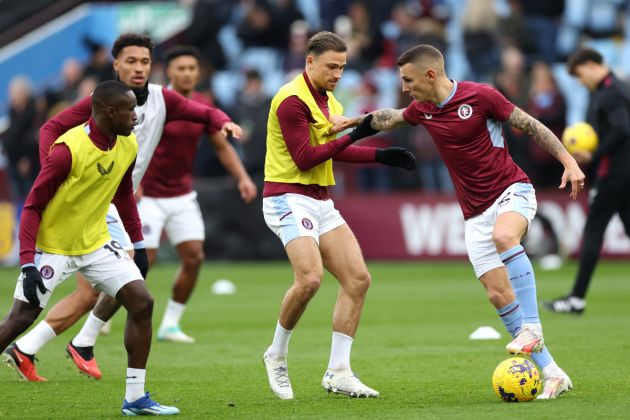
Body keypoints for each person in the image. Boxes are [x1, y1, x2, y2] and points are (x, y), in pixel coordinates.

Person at [3, 33, 243, 381]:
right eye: (131, 61)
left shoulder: (163, 100)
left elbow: (204, 113)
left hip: (115, 202)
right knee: (68, 300)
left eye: (145, 61)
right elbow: (51, 128)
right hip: (83, 211)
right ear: (116, 64)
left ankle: (69, 347)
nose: (138, 67)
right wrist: (52, 171)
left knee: (128, 286)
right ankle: (56, 344)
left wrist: (222, 121)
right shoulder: (102, 104)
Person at [351, 44, 584, 399]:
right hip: (474, 214)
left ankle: (532, 327)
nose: (404, 87)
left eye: (408, 79)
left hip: (511, 190)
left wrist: (568, 160)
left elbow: (531, 126)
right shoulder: (422, 110)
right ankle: (552, 372)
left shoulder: (481, 96)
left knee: (506, 237)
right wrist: (353, 123)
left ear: (431, 74)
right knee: (497, 293)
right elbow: (389, 117)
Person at [0, 80, 178, 415]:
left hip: (96, 242)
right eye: (130, 109)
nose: (136, 116)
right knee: (19, 319)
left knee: (142, 302)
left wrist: (137, 246)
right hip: (52, 247)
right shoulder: (68, 150)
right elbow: (33, 206)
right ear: (110, 112)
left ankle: (136, 399)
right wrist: (27, 263)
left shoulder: (126, 144)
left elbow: (123, 194)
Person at [261, 31, 417, 400]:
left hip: (319, 199)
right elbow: (305, 158)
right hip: (287, 195)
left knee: (358, 279)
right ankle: (276, 354)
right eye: (332, 67)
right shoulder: (290, 101)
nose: (338, 74)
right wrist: (357, 134)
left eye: (343, 68)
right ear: (309, 61)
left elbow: (332, 151)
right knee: (310, 278)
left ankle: (339, 372)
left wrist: (381, 155)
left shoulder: (325, 98)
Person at [139, 45, 257, 343]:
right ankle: (102, 314)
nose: (188, 73)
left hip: (181, 195)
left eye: (192, 68)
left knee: (194, 257)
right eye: (181, 68)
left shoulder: (203, 105)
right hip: (148, 195)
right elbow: (133, 143)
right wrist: (133, 180)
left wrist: (242, 177)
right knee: (144, 262)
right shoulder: (155, 103)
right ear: (169, 72)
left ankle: (170, 324)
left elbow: (221, 146)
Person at [544, 48, 630, 314]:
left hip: (614, 174)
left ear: (591, 65)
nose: (580, 82)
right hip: (624, 172)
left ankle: (576, 299)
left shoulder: (610, 92)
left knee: (593, 231)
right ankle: (576, 298)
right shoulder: (618, 88)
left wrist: (593, 154)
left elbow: (622, 128)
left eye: (580, 75)